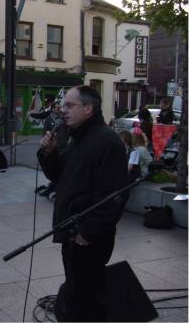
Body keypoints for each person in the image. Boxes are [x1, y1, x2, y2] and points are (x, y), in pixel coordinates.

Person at [38, 85, 128, 322]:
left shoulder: (107, 142)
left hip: (88, 237)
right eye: (63, 105)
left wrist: (88, 232)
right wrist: (49, 153)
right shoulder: (76, 138)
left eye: (70, 105)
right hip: (71, 230)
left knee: (86, 299)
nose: (63, 110)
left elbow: (114, 195)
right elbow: (60, 177)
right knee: (77, 291)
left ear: (88, 108)